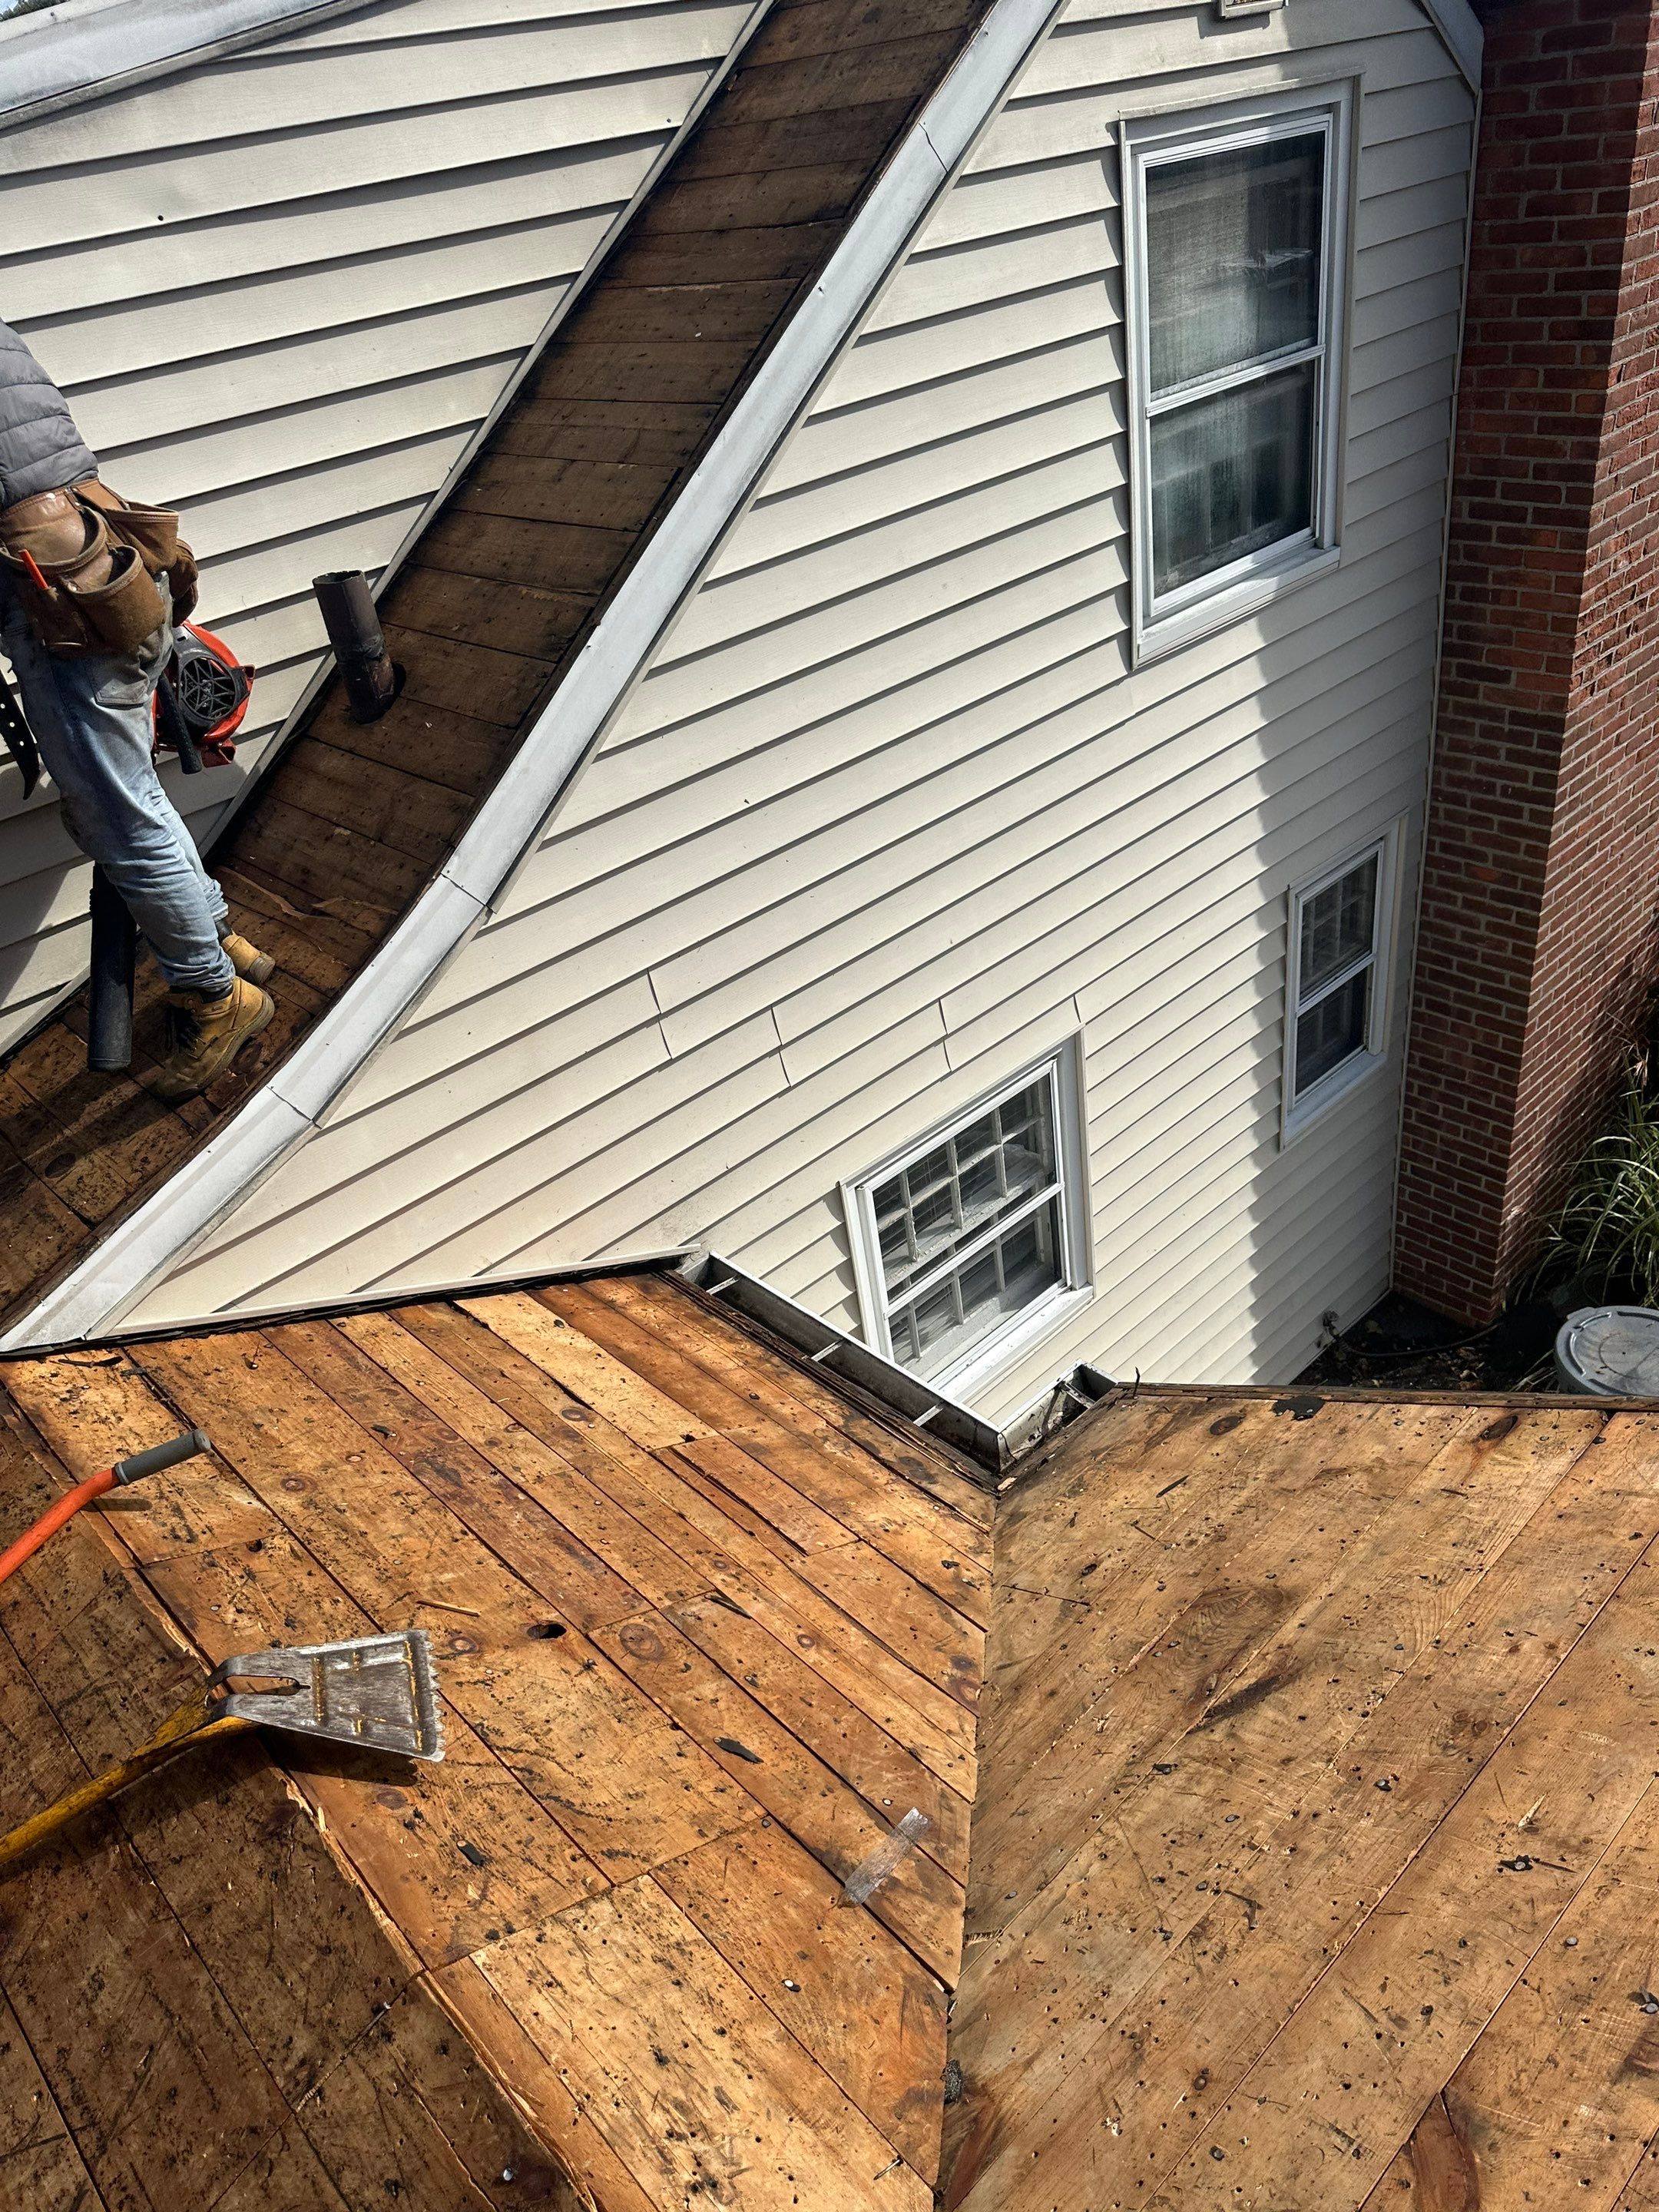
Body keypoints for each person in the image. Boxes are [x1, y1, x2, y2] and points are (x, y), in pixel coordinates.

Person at [0, 317, 273, 1101]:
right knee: (134, 805)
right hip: (109, 565)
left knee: (119, 822)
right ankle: (223, 940)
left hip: (64, 615)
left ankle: (217, 996)